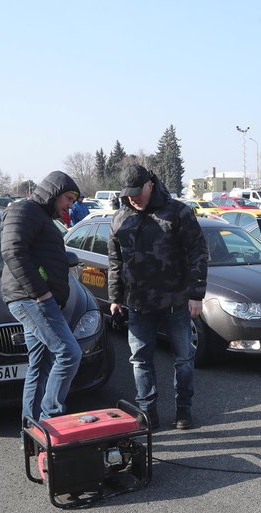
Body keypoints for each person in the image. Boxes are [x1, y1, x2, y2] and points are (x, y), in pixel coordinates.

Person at [108, 164, 208, 430]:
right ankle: (147, 412)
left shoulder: (177, 212)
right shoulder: (120, 218)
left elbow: (198, 251)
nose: (133, 197)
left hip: (176, 301)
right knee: (140, 360)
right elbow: (116, 260)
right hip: (138, 304)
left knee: (184, 359)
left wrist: (196, 293)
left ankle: (183, 410)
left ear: (150, 184)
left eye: (138, 191)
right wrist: (115, 297)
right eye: (128, 193)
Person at [1, 170, 83, 424]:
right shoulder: (24, 210)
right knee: (69, 353)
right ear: (54, 193)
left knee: (40, 365)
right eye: (68, 198)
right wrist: (41, 293)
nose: (70, 205)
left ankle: (32, 431)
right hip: (32, 299)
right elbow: (12, 251)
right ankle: (52, 420)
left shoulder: (40, 216)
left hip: (36, 299)